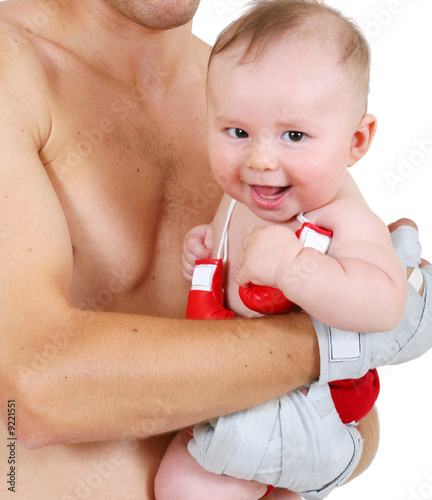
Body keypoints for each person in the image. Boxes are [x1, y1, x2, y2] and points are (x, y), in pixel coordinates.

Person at [0, 1, 430, 500]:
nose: (263, 151)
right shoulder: (13, 70)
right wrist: (345, 338)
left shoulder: (261, 94)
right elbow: (33, 392)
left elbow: (350, 420)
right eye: (241, 135)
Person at [154, 1, 416, 499]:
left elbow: (386, 304)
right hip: (245, 389)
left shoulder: (341, 216)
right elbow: (234, 257)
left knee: (190, 486)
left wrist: (298, 269)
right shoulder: (243, 197)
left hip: (312, 405)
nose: (260, 159)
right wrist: (207, 249)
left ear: (356, 141)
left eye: (294, 135)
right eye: (237, 132)